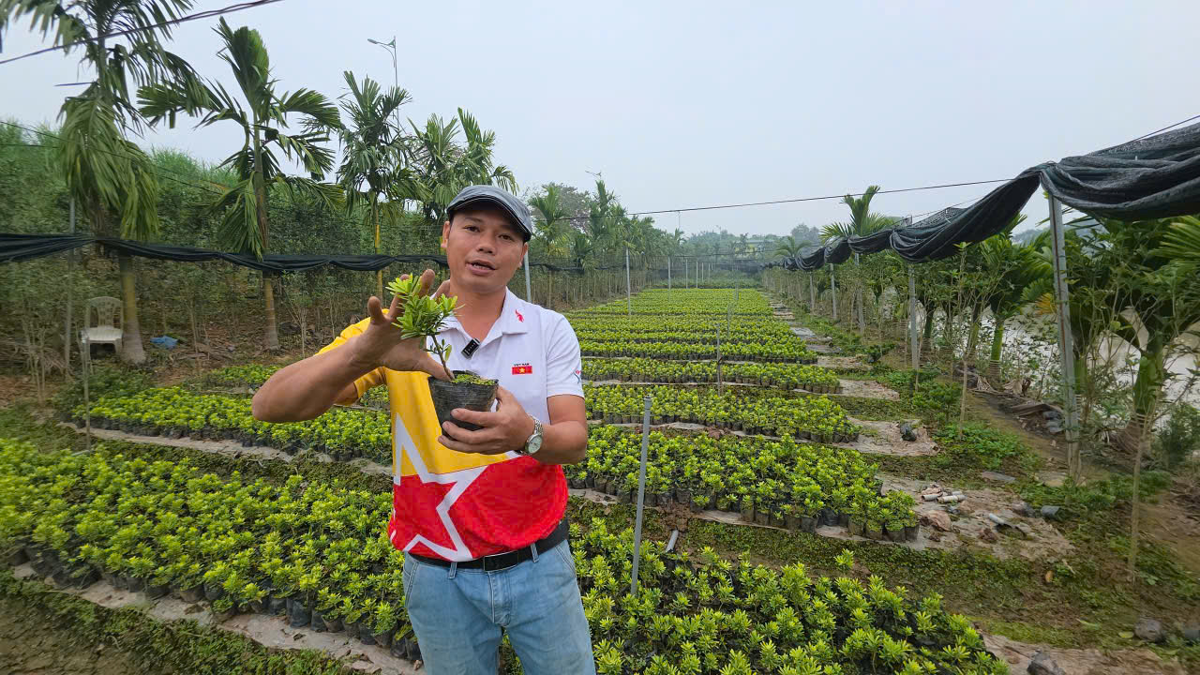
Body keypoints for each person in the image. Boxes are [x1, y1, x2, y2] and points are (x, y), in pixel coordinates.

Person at [252, 185, 595, 674]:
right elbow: (269, 406)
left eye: (504, 236)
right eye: (472, 228)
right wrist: (361, 355)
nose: (485, 245)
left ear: (521, 254)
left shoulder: (548, 329)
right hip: (438, 574)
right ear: (446, 235)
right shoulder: (399, 329)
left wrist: (526, 435)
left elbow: (575, 441)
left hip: (539, 563)